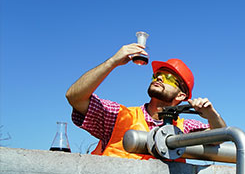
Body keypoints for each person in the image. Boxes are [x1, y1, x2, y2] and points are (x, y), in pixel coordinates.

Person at [66, 43, 226, 159]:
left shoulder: (184, 128)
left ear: (181, 96)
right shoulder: (119, 116)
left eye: (169, 78)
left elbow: (219, 136)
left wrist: (211, 114)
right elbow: (74, 97)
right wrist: (112, 61)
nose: (160, 78)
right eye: (157, 76)